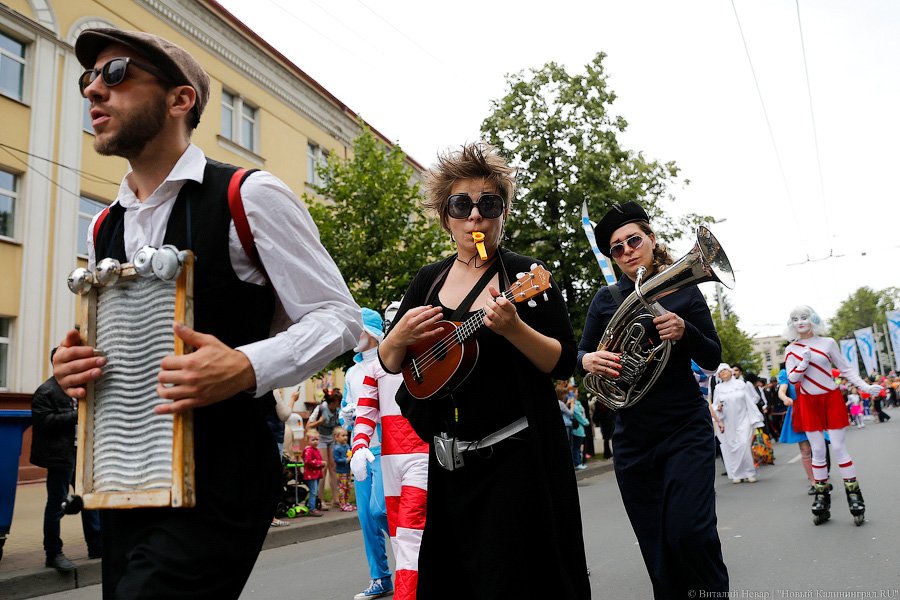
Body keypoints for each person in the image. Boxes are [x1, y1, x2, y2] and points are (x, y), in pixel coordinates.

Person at [54, 28, 361, 598]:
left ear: (180, 100)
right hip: (128, 475)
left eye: (115, 73)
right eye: (87, 79)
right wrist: (71, 365)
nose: (94, 91)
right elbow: (123, 342)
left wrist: (245, 366)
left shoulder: (249, 194)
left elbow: (338, 317)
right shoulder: (105, 225)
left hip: (223, 470)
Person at [377, 142, 590, 599]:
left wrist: (514, 329)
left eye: (488, 204)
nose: (475, 216)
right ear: (445, 216)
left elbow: (564, 360)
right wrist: (395, 338)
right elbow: (392, 362)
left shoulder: (525, 276)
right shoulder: (427, 281)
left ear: (503, 214)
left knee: (511, 582)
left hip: (515, 461)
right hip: (449, 465)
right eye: (462, 205)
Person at [578, 201, 728, 598]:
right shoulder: (606, 300)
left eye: (633, 240)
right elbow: (581, 356)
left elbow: (712, 356)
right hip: (633, 440)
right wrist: (589, 359)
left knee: (691, 533)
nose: (627, 250)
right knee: (657, 547)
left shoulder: (684, 289)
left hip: (684, 428)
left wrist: (684, 331)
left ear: (651, 240)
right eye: (617, 247)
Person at [350, 305, 430, 600]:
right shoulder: (373, 368)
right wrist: (358, 444)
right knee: (399, 535)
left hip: (421, 455)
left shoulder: (426, 356)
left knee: (409, 534)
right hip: (389, 458)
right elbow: (366, 409)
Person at [783, 305, 882, 525]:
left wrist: (865, 387)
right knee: (817, 450)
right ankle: (821, 496)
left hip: (830, 398)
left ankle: (854, 495)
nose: (800, 322)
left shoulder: (828, 343)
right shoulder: (791, 349)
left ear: (813, 319)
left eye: (804, 317)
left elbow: (845, 369)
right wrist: (804, 362)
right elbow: (792, 379)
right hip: (808, 402)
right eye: (795, 318)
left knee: (838, 448)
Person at [30, 358, 102, 573]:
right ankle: (53, 554)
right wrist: (76, 415)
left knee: (88, 500)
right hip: (60, 457)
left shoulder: (79, 388)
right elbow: (43, 422)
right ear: (57, 365)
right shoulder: (46, 391)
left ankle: (97, 547)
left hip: (80, 454)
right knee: (57, 505)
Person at [712, 363, 764, 484]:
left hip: (743, 419)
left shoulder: (741, 385)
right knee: (731, 448)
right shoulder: (718, 389)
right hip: (728, 422)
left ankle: (750, 472)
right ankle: (737, 474)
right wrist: (717, 408)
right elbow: (714, 404)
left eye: (725, 370)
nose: (724, 372)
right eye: (721, 371)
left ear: (731, 371)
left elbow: (750, 401)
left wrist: (755, 419)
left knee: (744, 444)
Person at [777, 363, 817, 495]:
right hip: (797, 410)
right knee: (806, 450)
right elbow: (782, 390)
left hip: (814, 408)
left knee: (819, 448)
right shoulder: (785, 372)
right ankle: (813, 482)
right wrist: (785, 398)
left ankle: (822, 477)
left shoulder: (811, 366)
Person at [308, 388, 342, 509]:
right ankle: (320, 499)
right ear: (331, 402)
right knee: (323, 467)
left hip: (331, 438)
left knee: (333, 467)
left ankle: (336, 498)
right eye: (337, 402)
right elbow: (308, 426)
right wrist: (320, 421)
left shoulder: (338, 410)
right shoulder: (321, 408)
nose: (338, 405)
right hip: (321, 438)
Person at [302, 431, 325, 517]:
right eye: (313, 439)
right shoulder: (308, 450)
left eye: (317, 439)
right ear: (307, 440)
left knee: (315, 491)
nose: (315, 441)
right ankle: (312, 509)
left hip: (316, 474)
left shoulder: (315, 449)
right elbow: (308, 461)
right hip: (311, 475)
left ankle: (313, 506)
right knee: (313, 492)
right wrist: (320, 463)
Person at [333, 427, 354, 512]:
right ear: (336, 437)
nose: (345, 437)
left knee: (348, 487)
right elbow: (336, 459)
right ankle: (342, 504)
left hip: (347, 471)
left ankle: (346, 502)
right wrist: (346, 460)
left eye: (346, 435)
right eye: (343, 435)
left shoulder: (347, 446)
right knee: (342, 488)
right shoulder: (336, 448)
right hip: (341, 472)